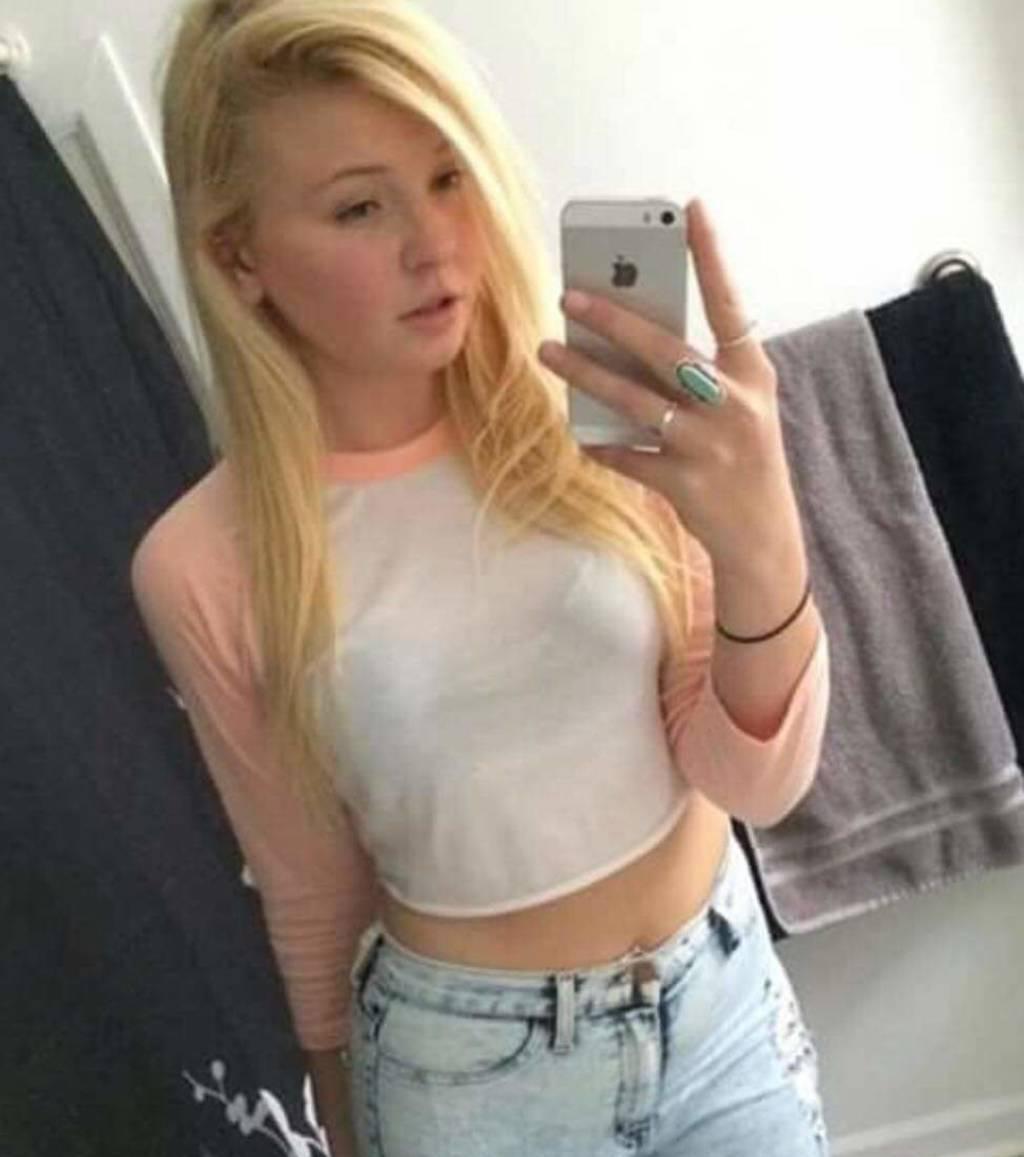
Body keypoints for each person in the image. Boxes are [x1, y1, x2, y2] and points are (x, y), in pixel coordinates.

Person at [131, 1, 833, 1153]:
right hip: (468, 1077)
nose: (436, 245)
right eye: (360, 206)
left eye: (448, 175)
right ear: (238, 256)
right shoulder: (206, 559)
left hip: (721, 1003)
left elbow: (752, 780)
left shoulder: (600, 419)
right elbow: (310, 891)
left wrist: (764, 544)